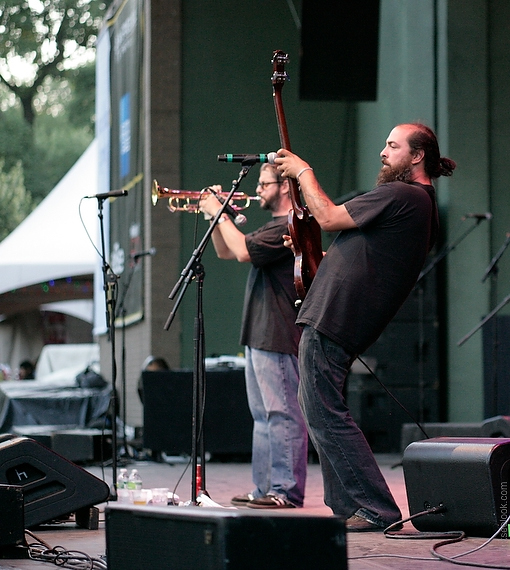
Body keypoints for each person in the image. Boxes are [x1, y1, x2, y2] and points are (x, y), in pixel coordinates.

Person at [275, 122, 456, 530]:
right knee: (319, 408)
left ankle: (374, 508)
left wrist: (303, 171)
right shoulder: (418, 204)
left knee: (324, 411)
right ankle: (351, 508)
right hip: (339, 315)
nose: (383, 152)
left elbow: (326, 215)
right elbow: (362, 256)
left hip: (336, 317)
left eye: (393, 145)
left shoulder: (402, 194)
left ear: (416, 156)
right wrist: (309, 252)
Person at [199, 163, 308, 509]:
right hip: (259, 333)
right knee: (262, 416)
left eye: (264, 184)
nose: (257, 190)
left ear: (285, 188)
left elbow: (243, 250)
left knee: (283, 413)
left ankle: (286, 490)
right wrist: (216, 220)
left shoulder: (290, 226)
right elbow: (225, 251)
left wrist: (220, 211)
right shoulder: (272, 226)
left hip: (278, 332)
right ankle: (264, 489)